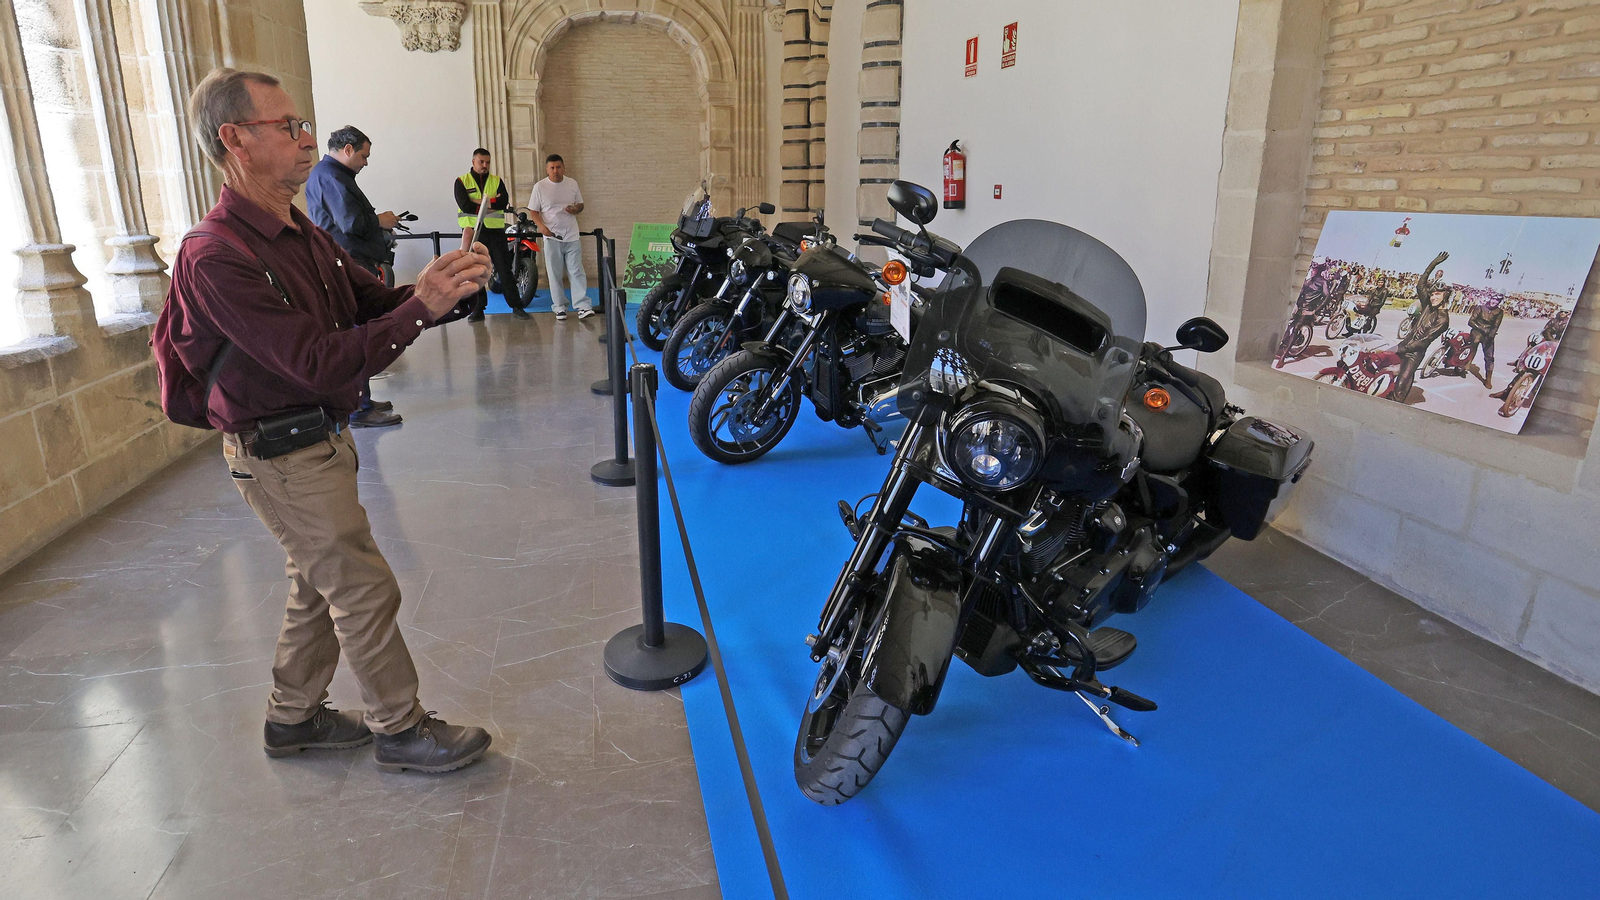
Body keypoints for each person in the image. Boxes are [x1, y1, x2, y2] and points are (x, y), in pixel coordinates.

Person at [162, 68, 493, 773]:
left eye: (302, 122)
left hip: (318, 439)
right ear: (235, 140)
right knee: (364, 585)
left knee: (318, 584)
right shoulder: (215, 252)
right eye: (288, 126)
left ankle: (293, 718)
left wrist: (448, 290)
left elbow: (374, 304)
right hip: (279, 452)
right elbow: (313, 361)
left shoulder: (298, 232)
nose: (309, 138)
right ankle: (400, 729)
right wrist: (419, 309)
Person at [306, 124, 402, 427]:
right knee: (357, 333)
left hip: (350, 260)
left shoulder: (334, 175)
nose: (366, 162)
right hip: (348, 262)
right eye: (363, 155)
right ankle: (358, 408)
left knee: (359, 330)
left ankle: (362, 399)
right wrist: (380, 220)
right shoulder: (332, 176)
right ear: (347, 150)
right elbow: (350, 223)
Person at [453, 148, 528, 321]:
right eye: (481, 162)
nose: (485, 165)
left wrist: (480, 202)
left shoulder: (496, 181)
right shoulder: (461, 181)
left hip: (495, 232)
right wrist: (489, 202)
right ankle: (478, 310)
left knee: (504, 269)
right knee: (475, 272)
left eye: (487, 162)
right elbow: (465, 206)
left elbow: (503, 202)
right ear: (473, 162)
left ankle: (517, 306)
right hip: (473, 232)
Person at [528, 154, 591, 321]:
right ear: (547, 169)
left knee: (576, 270)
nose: (555, 171)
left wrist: (576, 209)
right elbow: (533, 212)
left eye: (558, 167)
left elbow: (581, 204)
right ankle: (559, 306)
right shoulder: (540, 187)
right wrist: (542, 227)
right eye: (552, 168)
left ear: (563, 167)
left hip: (571, 234)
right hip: (552, 237)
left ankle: (583, 306)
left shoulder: (572, 184)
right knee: (554, 272)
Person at [1389, 283, 1452, 404]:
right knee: (1379, 362)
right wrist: (1433, 264)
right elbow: (1420, 286)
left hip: (1414, 354)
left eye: (1437, 294)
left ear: (1445, 296)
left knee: (1400, 387)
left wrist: (1401, 349)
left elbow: (1424, 342)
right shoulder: (1428, 306)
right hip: (1403, 345)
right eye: (1432, 294)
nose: (1433, 297)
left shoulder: (1443, 319)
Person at [1464, 295, 1505, 389]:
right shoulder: (1480, 308)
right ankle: (1466, 364)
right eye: (1493, 299)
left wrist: (1492, 334)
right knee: (1472, 346)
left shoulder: (1499, 312)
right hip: (1477, 331)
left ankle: (1488, 379)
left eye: (1497, 300)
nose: (1494, 301)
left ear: (1499, 302)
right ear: (1490, 298)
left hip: (1488, 335)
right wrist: (1482, 329)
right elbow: (1471, 321)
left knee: (1489, 356)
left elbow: (1496, 325)